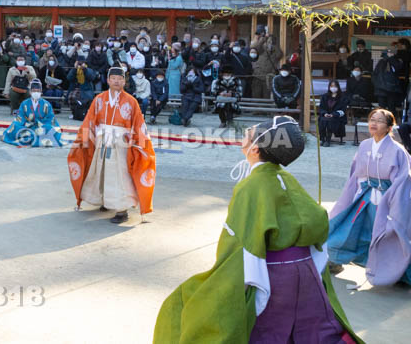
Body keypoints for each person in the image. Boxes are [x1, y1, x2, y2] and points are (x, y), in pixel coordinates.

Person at [154, 116, 361, 343]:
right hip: (307, 273)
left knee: (188, 304)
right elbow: (318, 220)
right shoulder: (287, 178)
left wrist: (226, 282)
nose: (242, 138)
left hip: (273, 278)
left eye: (247, 135)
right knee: (312, 333)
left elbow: (239, 246)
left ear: (255, 150)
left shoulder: (250, 186)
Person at [327, 108, 411, 286]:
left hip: (388, 200)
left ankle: (397, 274)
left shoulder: (398, 150)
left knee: (388, 235)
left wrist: (392, 204)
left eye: (380, 121)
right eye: (372, 119)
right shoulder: (365, 145)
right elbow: (355, 175)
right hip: (364, 198)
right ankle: (335, 259)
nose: (374, 123)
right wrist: (352, 196)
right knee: (348, 228)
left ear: (389, 127)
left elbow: (403, 181)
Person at [67, 67, 156, 224]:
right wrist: (84, 138)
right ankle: (105, 201)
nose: (116, 81)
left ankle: (122, 210)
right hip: (102, 140)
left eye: (119, 78)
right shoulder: (99, 99)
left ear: (124, 81)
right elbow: (90, 120)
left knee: (120, 175)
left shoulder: (131, 101)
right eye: (113, 78)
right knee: (100, 171)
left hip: (121, 143)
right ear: (108, 80)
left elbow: (138, 124)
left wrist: (140, 143)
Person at [2, 78, 62, 147]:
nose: (36, 93)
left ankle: (31, 136)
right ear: (30, 92)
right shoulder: (24, 103)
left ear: (41, 92)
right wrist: (25, 123)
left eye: (38, 91)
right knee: (15, 125)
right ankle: (36, 137)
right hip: (27, 125)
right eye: (34, 91)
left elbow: (50, 118)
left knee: (50, 128)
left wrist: (42, 124)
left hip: (41, 125)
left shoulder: (46, 104)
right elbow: (20, 116)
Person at [318, 80, 350, 147]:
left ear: (338, 87)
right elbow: (321, 108)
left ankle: (328, 139)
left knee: (330, 120)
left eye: (335, 86)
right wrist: (325, 113)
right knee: (322, 119)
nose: (333, 88)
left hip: (337, 117)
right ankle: (323, 139)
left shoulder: (343, 97)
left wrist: (333, 114)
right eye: (331, 86)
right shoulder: (325, 96)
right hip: (326, 115)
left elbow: (343, 110)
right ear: (329, 87)